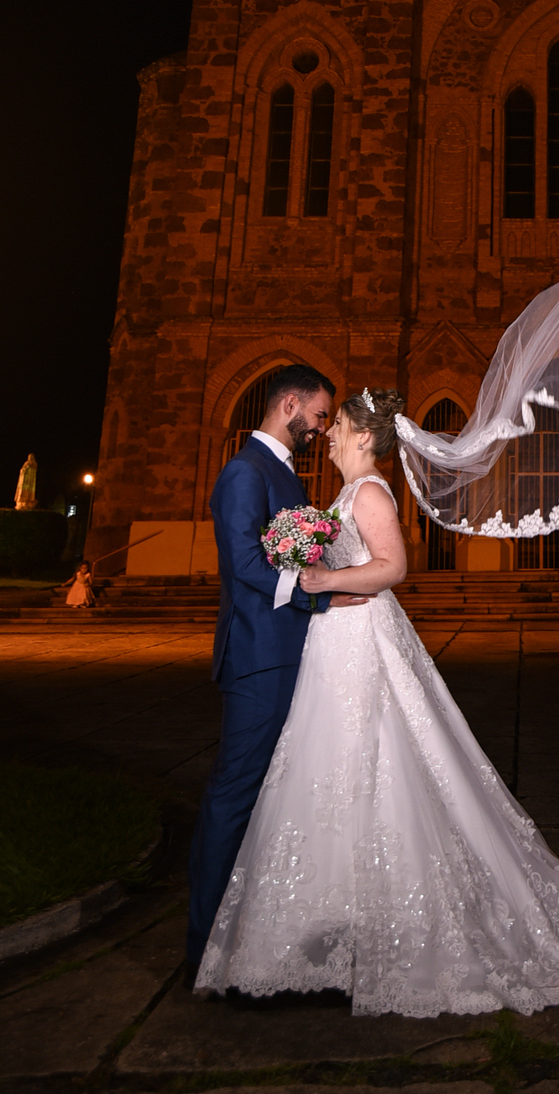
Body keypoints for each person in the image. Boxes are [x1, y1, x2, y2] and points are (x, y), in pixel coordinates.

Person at [195, 386, 559, 1016]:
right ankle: (332, 918)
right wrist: (311, 568)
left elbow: (393, 567)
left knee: (373, 763)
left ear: (365, 437)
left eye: (338, 425)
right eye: (326, 420)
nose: (328, 432)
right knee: (337, 772)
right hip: (333, 645)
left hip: (357, 637)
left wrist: (323, 578)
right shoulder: (341, 493)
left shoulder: (367, 492)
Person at [186, 364, 367, 978]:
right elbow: (244, 566)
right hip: (260, 660)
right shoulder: (244, 473)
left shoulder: (285, 473)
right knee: (235, 796)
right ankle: (204, 945)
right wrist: (321, 595)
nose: (321, 428)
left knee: (277, 799)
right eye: (318, 415)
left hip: (295, 656)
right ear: (288, 403)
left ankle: (255, 936)